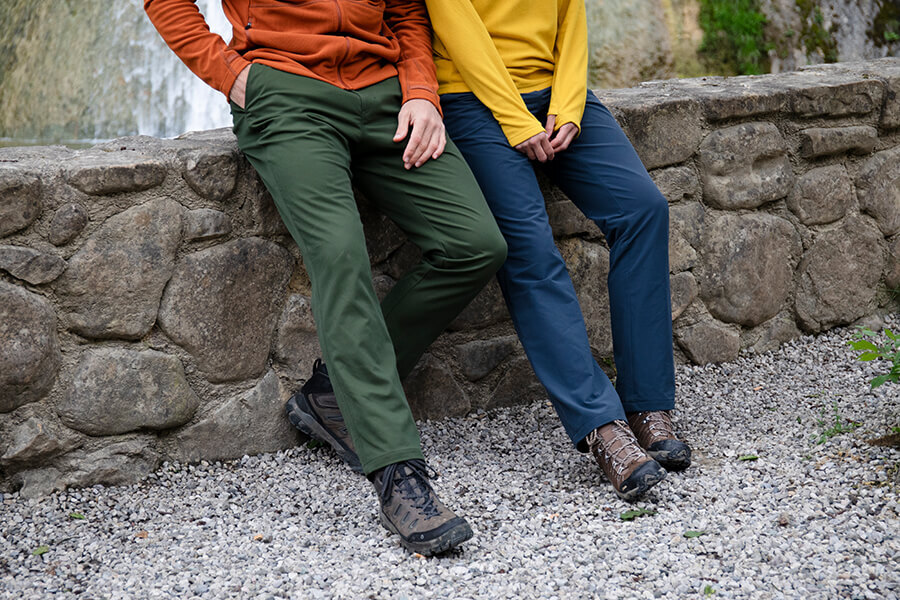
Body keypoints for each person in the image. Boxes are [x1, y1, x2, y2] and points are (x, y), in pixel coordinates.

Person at [144, 0, 508, 555]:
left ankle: (334, 395)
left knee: (475, 245)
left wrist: (420, 90)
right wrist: (231, 73)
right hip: (285, 95)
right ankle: (398, 472)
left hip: (386, 95)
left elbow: (407, 10)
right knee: (340, 258)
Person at [421, 0, 692, 501]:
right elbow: (458, 28)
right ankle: (601, 426)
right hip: (472, 98)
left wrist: (567, 106)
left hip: (555, 93)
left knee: (642, 210)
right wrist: (514, 118)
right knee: (529, 248)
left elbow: (571, 19)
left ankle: (646, 402)